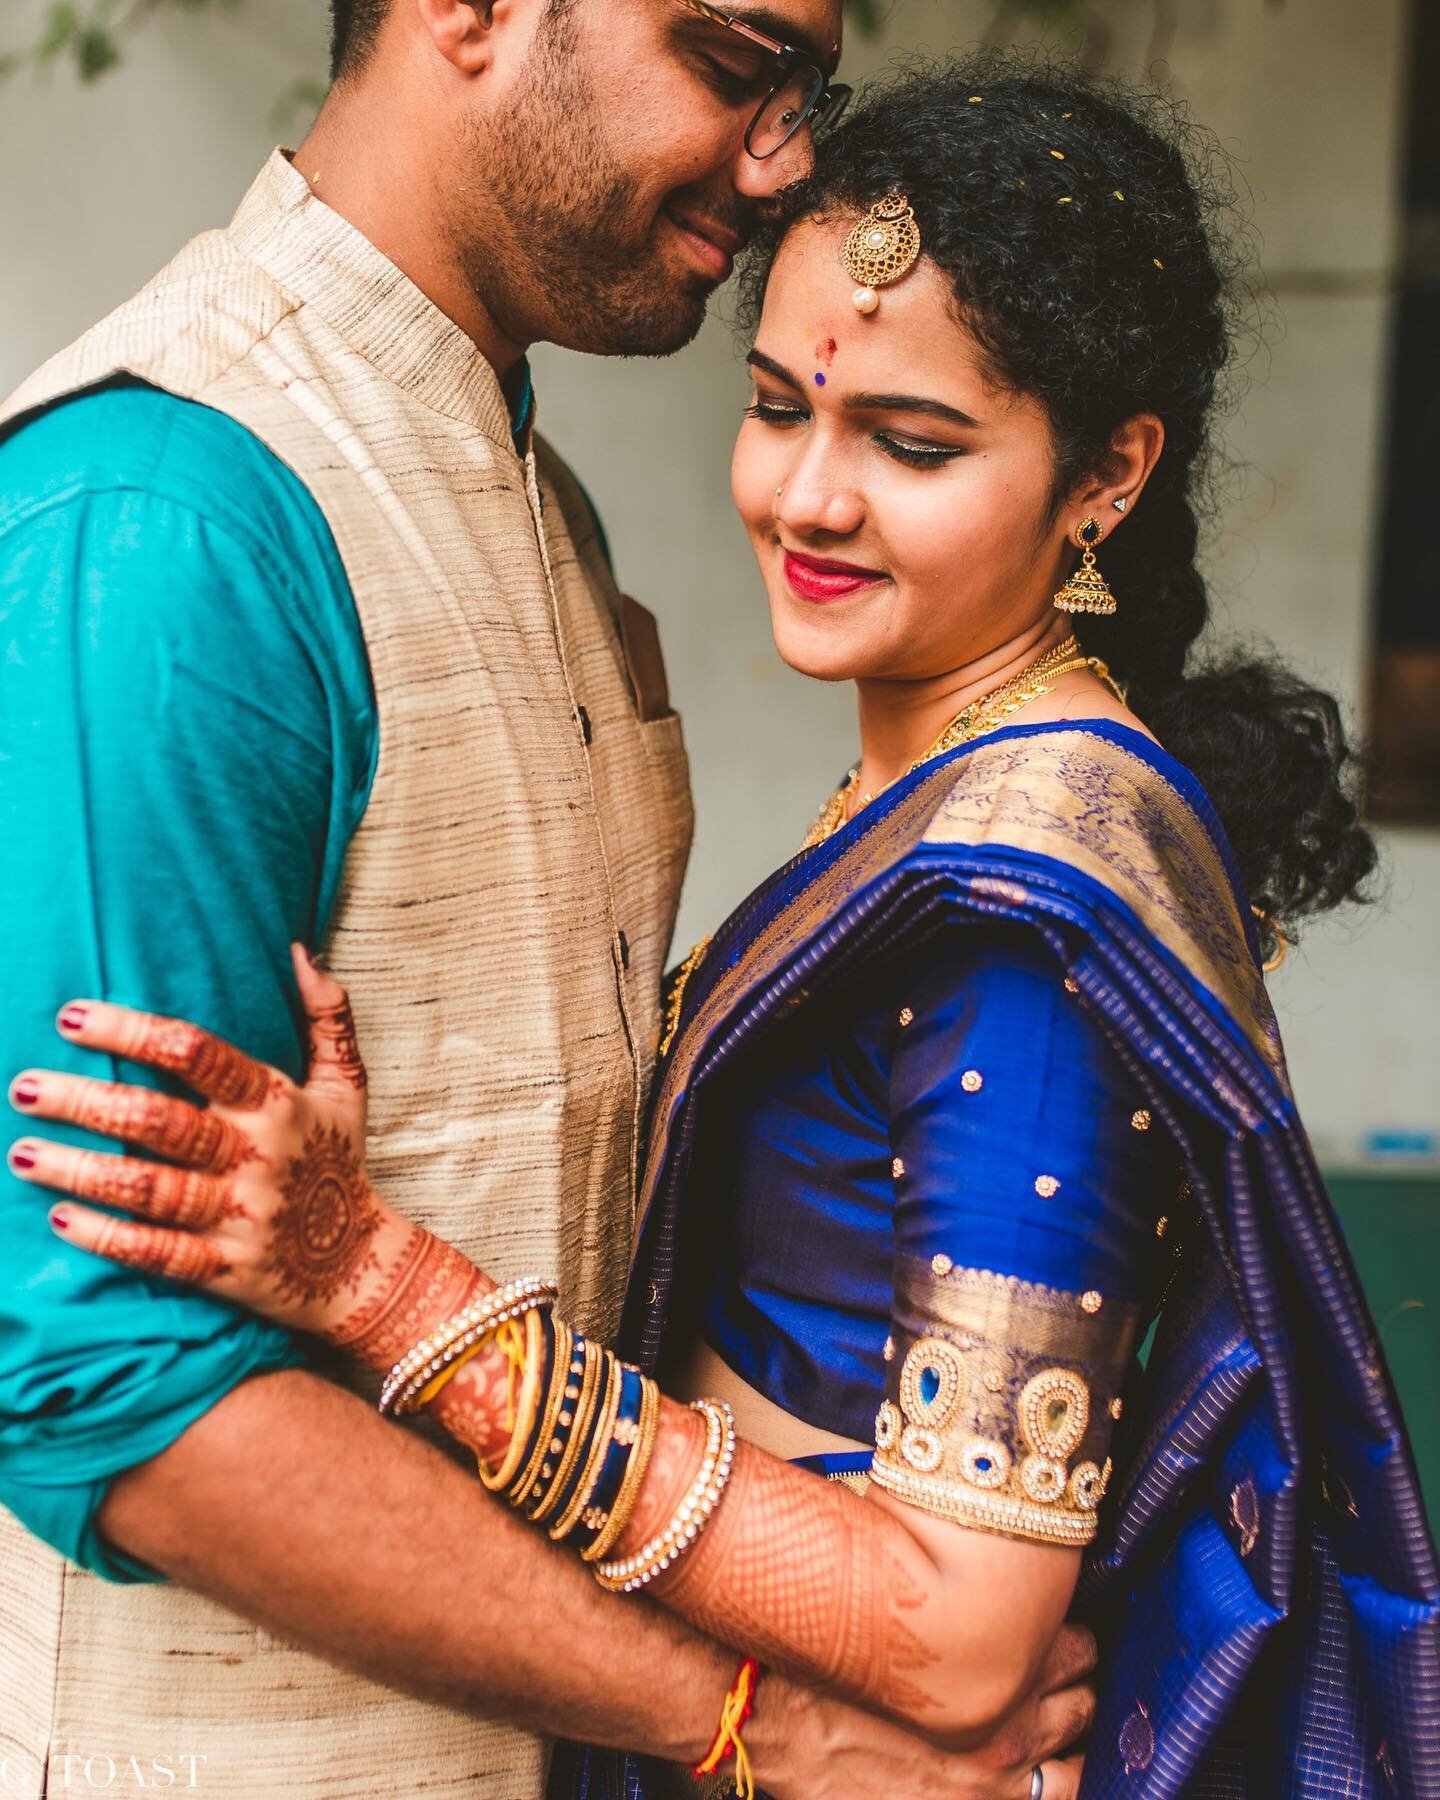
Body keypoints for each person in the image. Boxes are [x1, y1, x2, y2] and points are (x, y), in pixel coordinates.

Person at [12, 49, 1438, 1800]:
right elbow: (96, 1374)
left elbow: (959, 1633)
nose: (810, 497)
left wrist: (379, 1283)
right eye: (779, 408)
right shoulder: (202, 509)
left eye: (913, 442)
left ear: (1105, 479)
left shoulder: (1020, 918)